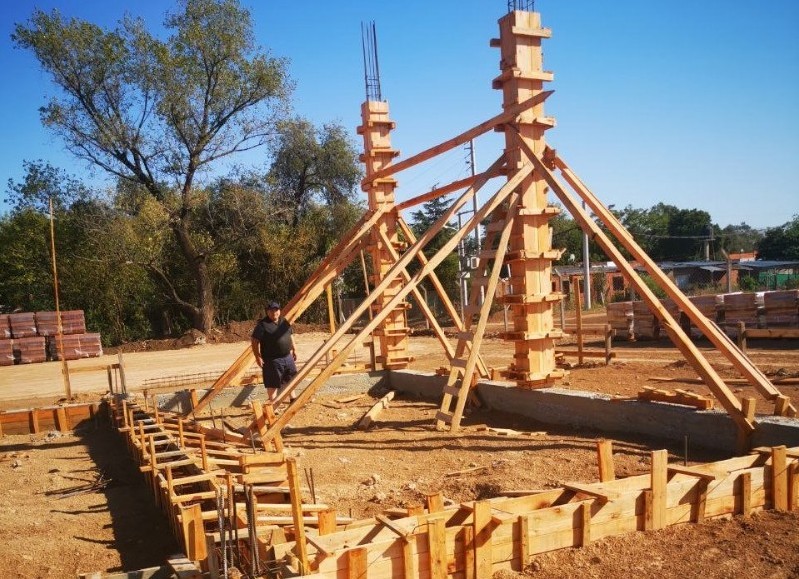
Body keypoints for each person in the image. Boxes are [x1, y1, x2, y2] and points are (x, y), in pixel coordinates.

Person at [251, 302, 297, 402]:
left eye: (276, 310)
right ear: (267, 312)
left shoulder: (283, 321)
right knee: (273, 383)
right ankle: (273, 406)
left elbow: (290, 335)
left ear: (279, 311)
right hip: (272, 360)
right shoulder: (262, 325)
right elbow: (254, 341)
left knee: (290, 378)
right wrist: (257, 356)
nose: (274, 312)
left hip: (287, 357)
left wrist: (294, 349)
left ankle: (293, 399)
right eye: (271, 310)